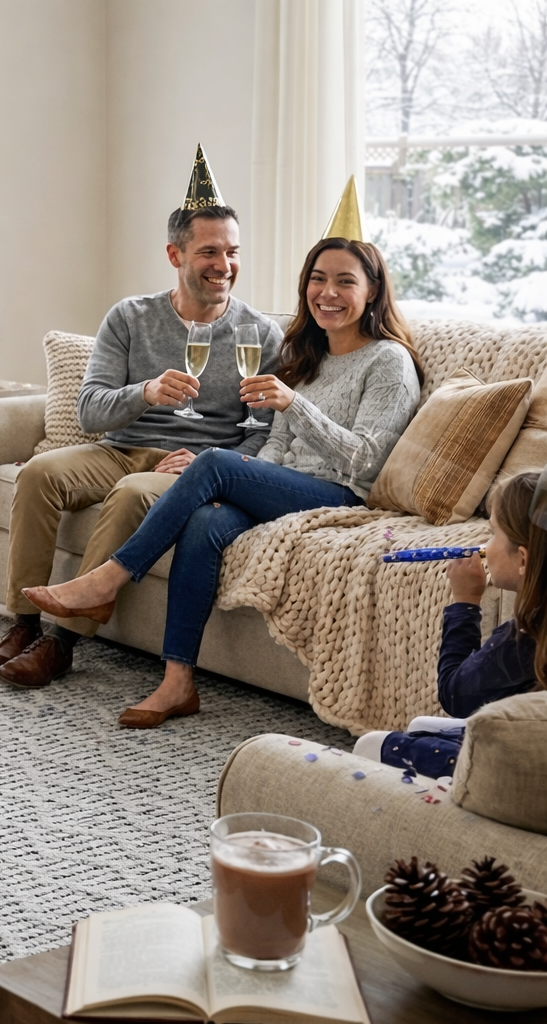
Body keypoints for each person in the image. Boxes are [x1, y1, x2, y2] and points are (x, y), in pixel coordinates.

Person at [27, 235, 424, 727]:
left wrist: (291, 407)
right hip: (285, 488)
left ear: (373, 291)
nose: (329, 292)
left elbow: (366, 462)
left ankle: (107, 578)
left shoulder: (388, 360)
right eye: (318, 279)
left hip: (344, 495)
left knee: (213, 463)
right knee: (204, 522)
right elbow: (275, 446)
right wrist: (257, 469)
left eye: (346, 281)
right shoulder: (306, 355)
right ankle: (178, 683)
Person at [0, 146, 283, 689]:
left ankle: (61, 641)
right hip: (118, 448)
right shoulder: (130, 317)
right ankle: (22, 622)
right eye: (209, 252)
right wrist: (145, 391)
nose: (224, 266)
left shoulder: (260, 334)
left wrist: (210, 465)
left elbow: (268, 433)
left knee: (127, 497)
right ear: (175, 254)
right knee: (39, 473)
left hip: (185, 464)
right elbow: (90, 409)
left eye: (233, 252)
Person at [352, 471, 546, 776]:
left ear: (522, 559)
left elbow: (455, 694)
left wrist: (465, 602)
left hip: (517, 768)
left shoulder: (527, 636)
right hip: (534, 743)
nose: (485, 543)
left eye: (493, 533)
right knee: (419, 726)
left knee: (371, 744)